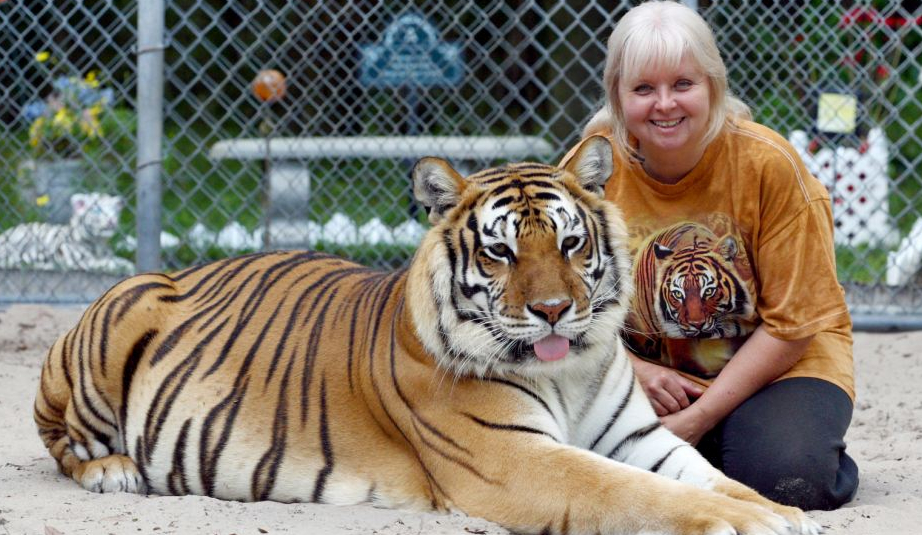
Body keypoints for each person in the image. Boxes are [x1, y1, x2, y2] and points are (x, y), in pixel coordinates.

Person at [561, 0, 858, 511]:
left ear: (713, 86)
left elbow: (793, 325)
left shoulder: (769, 165)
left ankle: (751, 438)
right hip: (645, 372)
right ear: (617, 95)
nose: (664, 104)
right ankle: (721, 445)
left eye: (682, 84)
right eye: (643, 89)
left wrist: (696, 420)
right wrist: (633, 368)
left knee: (790, 478)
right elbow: (558, 300)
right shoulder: (589, 169)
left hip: (777, 364)